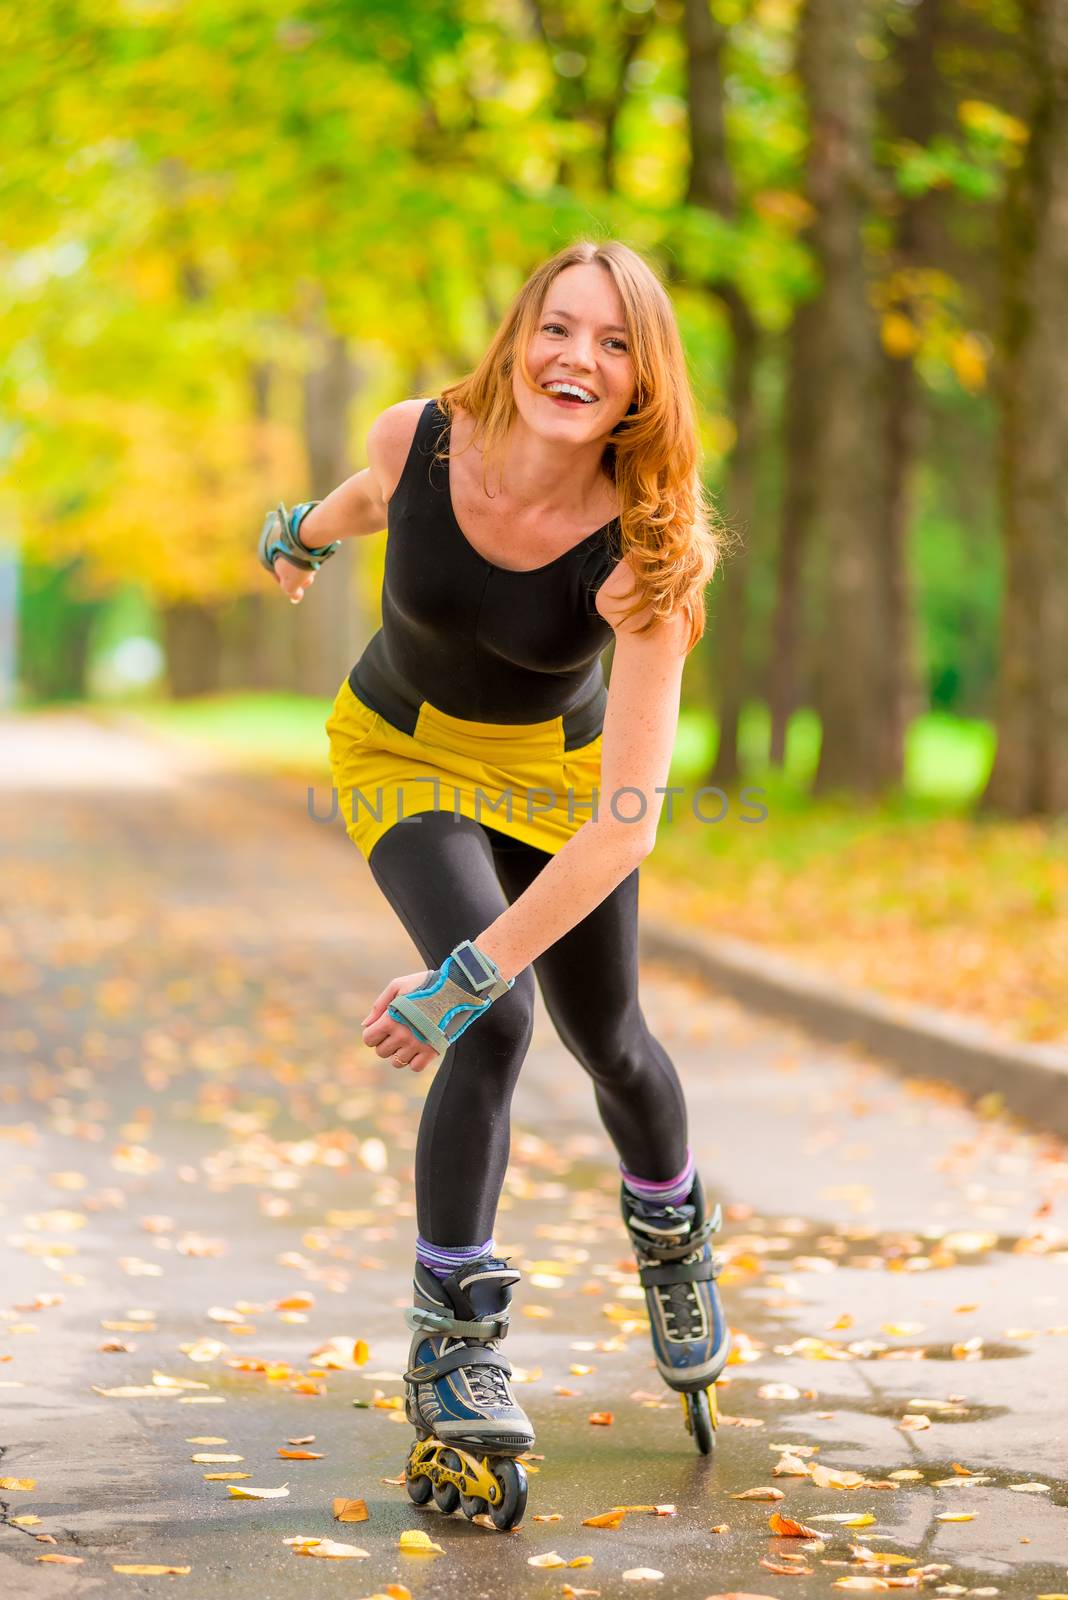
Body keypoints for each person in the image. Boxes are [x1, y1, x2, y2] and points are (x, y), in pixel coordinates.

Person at [258, 239, 732, 1525]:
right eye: (561, 328)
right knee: (499, 1021)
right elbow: (368, 500)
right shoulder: (419, 434)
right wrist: (297, 529)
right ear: (519, 333)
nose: (579, 358)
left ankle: (674, 1228)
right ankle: (455, 1338)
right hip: (399, 751)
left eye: (616, 343)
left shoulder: (646, 549)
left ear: (644, 384)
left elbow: (626, 825)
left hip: (567, 795)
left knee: (610, 1039)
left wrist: (461, 971)